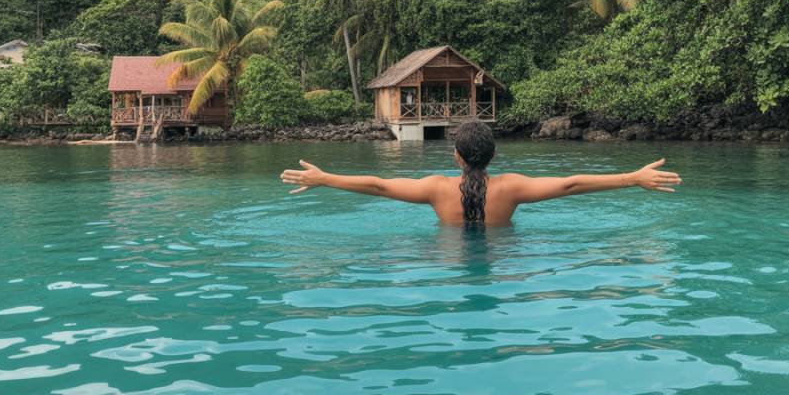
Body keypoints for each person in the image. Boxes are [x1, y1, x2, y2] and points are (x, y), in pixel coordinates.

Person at [280, 120, 682, 227]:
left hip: (445, 260)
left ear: (456, 156)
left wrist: (324, 178)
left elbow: (380, 185)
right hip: (507, 260)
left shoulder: (436, 189)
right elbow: (571, 183)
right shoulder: (511, 188)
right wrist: (633, 177)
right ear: (493, 155)